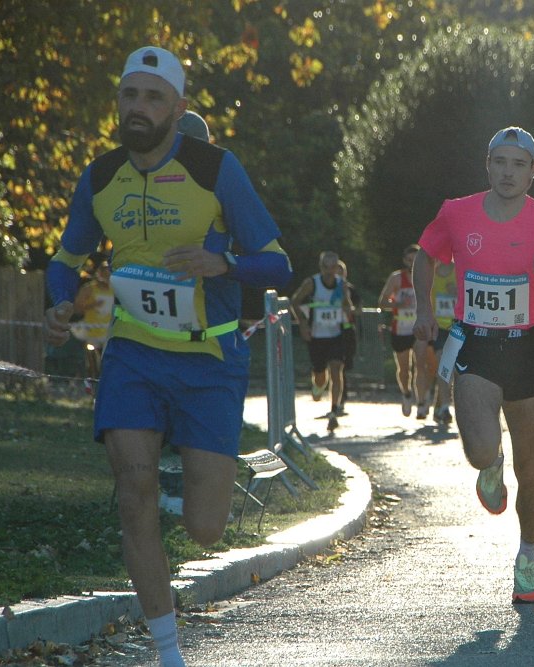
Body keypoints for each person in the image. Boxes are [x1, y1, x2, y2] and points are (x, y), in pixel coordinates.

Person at [43, 46, 292, 667]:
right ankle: (168, 652)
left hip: (209, 362)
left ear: (177, 108)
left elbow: (277, 263)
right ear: (118, 102)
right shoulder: (101, 177)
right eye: (130, 94)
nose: (139, 107)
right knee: (135, 495)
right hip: (133, 356)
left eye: (153, 97)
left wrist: (222, 262)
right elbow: (65, 260)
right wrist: (61, 304)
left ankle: (189, 467)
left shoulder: (216, 169)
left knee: (206, 527)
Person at [413, 126, 534, 604]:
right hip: (476, 345)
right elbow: (425, 257)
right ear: (487, 165)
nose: (508, 172)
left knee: (532, 466)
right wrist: (424, 309)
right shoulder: (457, 212)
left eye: (518, 165)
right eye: (500, 162)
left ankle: (527, 558)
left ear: (533, 172)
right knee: (478, 449)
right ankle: (490, 465)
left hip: (527, 347)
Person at [291, 251, 354, 431]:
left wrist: (347, 306)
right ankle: (318, 386)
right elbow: (295, 302)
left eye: (332, 267)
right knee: (320, 375)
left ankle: (334, 411)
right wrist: (303, 324)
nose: (329, 271)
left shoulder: (341, 284)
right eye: (326, 267)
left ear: (337, 267)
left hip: (336, 335)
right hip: (317, 336)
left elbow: (347, 306)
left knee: (336, 369)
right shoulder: (312, 283)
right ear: (321, 267)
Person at [379, 244, 425, 417]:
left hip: (419, 328)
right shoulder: (396, 278)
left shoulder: (427, 276)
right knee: (404, 369)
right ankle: (406, 393)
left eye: (416, 260)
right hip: (400, 328)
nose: (413, 263)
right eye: (409, 260)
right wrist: (398, 304)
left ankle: (421, 402)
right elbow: (382, 302)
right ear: (405, 261)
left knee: (420, 365)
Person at [71, 256, 114, 377]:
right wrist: (91, 305)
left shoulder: (115, 290)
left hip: (108, 335)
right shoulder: (89, 289)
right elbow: (76, 308)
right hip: (91, 333)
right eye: (104, 272)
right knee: (92, 364)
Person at [430, 260, 457, 425]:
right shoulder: (430, 273)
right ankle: (446, 407)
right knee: (443, 366)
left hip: (458, 326)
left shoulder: (460, 270)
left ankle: (439, 405)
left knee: (451, 370)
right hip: (439, 327)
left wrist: (457, 293)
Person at [336, 259, 362, 414]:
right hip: (330, 331)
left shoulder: (351, 289)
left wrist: (349, 306)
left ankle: (341, 398)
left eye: (341, 272)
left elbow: (358, 309)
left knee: (343, 366)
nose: (339, 275)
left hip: (347, 331)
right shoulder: (324, 288)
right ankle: (337, 399)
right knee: (335, 365)